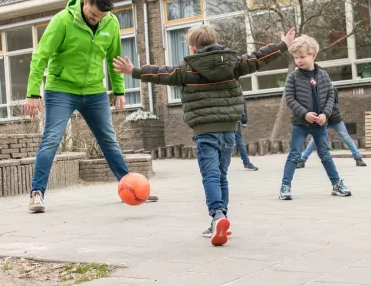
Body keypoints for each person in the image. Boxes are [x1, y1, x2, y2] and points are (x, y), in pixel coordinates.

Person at [113, 24, 293, 246]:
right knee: (221, 175)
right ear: (215, 41)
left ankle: (217, 215)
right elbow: (258, 58)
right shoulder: (232, 62)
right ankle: (221, 217)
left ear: (192, 46)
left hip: (204, 130)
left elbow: (161, 73)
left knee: (210, 175)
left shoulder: (186, 69)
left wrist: (134, 71)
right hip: (229, 129)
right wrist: (283, 45)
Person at [24, 0, 156, 213]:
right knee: (52, 140)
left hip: (95, 91)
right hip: (61, 89)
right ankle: (37, 194)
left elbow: (114, 57)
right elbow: (40, 56)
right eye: (94, 15)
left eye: (101, 17)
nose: (97, 20)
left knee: (108, 139)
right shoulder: (63, 21)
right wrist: (33, 93)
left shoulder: (110, 23)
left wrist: (119, 90)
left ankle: (131, 187)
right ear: (86, 2)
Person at [279, 35, 352, 200]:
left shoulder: (324, 76)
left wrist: (325, 114)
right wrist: (305, 114)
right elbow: (289, 99)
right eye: (296, 58)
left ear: (313, 55)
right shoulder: (293, 77)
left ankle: (336, 184)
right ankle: (285, 186)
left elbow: (330, 97)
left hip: (320, 124)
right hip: (300, 124)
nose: (298, 61)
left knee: (325, 154)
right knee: (294, 154)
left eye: (302, 57)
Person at [296, 92, 367, 168]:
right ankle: (302, 160)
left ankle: (358, 158)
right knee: (314, 141)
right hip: (322, 120)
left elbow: (334, 102)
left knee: (346, 137)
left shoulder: (331, 88)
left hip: (335, 119)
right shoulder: (313, 90)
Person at [235, 98, 258, 171]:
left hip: (233, 119)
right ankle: (246, 163)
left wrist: (244, 120)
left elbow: (241, 101)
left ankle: (246, 163)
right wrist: (244, 120)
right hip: (229, 118)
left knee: (238, 141)